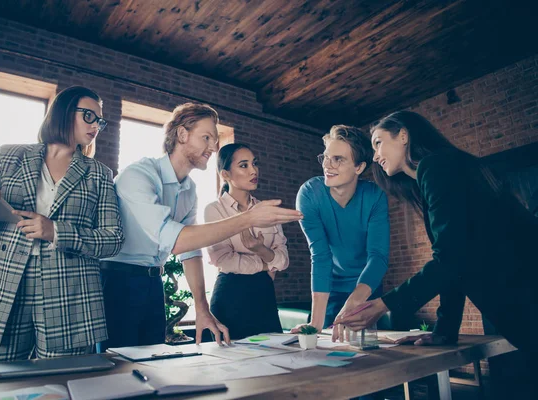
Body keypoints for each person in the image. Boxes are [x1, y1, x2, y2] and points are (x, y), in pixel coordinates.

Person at [337, 110, 538, 397]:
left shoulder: (436, 166)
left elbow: (450, 260)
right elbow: (456, 264)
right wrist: (444, 331)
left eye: (379, 142)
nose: (375, 155)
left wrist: (384, 304)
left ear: (404, 135)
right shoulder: (433, 175)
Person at [101, 103, 302, 348]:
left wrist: (202, 309)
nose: (213, 147)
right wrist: (249, 219)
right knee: (115, 370)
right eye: (206, 137)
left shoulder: (189, 189)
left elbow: (191, 252)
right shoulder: (139, 175)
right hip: (117, 282)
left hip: (152, 284)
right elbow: (176, 241)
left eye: (215, 140)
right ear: (182, 135)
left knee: (147, 364)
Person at [0, 86, 125, 362]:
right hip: (2, 287)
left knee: (62, 385)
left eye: (100, 120)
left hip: (70, 295)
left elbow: (113, 239)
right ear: (63, 112)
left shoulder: (99, 174)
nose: (96, 125)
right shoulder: (8, 156)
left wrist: (56, 231)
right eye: (89, 116)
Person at [290, 125, 390, 339]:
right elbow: (320, 256)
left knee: (369, 355)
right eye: (326, 157)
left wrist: (356, 299)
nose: (328, 165)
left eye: (338, 159)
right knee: (327, 352)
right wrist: (315, 323)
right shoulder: (309, 195)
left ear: (359, 167)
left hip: (367, 286)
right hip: (330, 288)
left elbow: (378, 257)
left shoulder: (375, 197)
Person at [205, 143, 289, 340]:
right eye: (244, 165)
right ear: (225, 175)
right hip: (230, 295)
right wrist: (266, 263)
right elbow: (223, 259)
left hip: (264, 294)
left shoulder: (266, 209)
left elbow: (283, 260)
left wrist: (259, 248)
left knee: (273, 361)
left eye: (254, 163)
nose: (254, 170)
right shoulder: (214, 210)